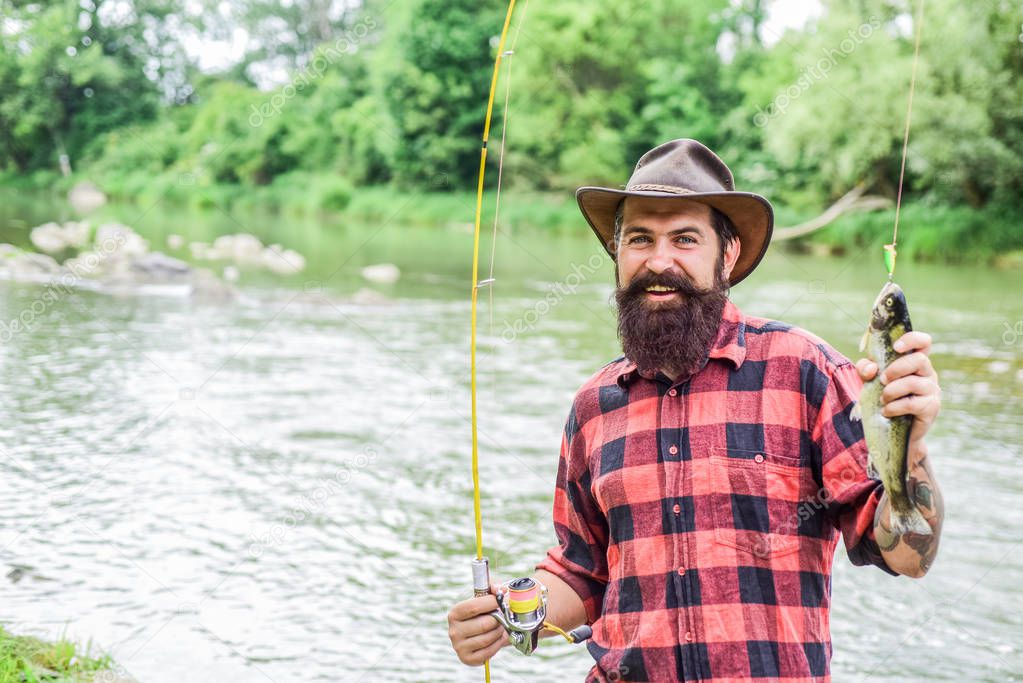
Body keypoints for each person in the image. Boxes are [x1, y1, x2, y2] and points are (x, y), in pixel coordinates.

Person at [447, 139, 944, 682]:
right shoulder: (593, 406)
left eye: (685, 238)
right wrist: (512, 616)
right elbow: (581, 573)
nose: (659, 261)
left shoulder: (807, 372)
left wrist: (912, 447)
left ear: (726, 255)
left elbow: (908, 556)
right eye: (640, 239)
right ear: (617, 253)